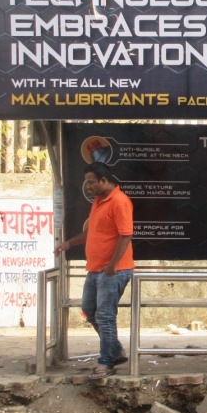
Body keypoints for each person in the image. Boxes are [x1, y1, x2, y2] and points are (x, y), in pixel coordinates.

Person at [55, 162, 134, 378]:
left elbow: (125, 235)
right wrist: (69, 243)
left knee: (105, 315)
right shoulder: (98, 201)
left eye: (91, 182)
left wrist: (112, 266)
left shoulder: (119, 201)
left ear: (103, 180)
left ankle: (106, 362)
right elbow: (93, 233)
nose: (88, 186)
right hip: (96, 269)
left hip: (113, 271)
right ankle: (116, 350)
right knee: (89, 311)